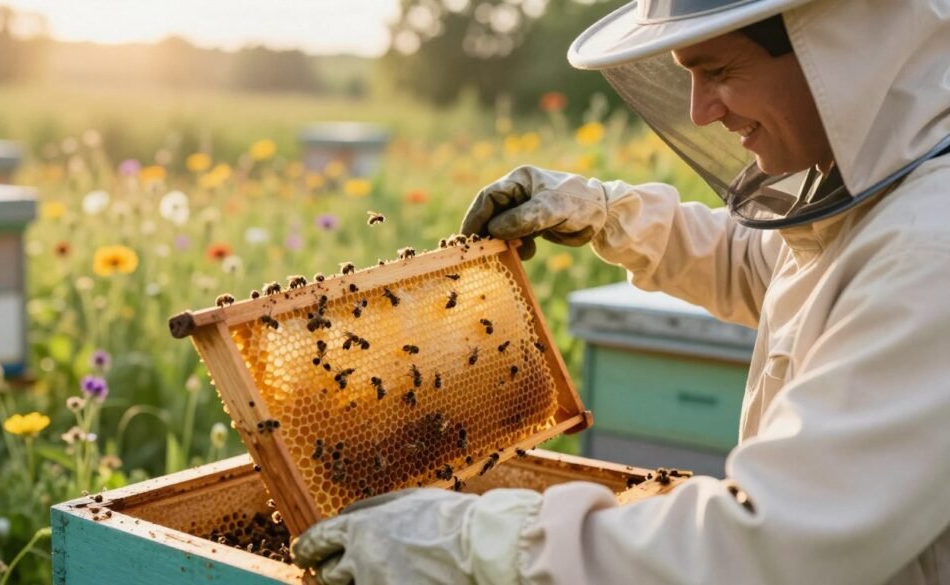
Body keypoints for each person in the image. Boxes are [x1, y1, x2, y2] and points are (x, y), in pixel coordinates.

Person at [292, 0, 950, 582]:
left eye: (718, 71)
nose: (700, 110)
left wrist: (475, 546)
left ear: (839, 56)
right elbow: (773, 264)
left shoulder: (929, 256)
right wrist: (607, 214)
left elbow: (770, 544)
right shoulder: (884, 201)